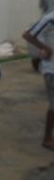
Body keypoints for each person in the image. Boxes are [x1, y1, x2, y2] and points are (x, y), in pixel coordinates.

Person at [23, 12, 54, 151]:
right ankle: (47, 139)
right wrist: (45, 48)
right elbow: (28, 35)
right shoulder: (50, 18)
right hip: (52, 69)